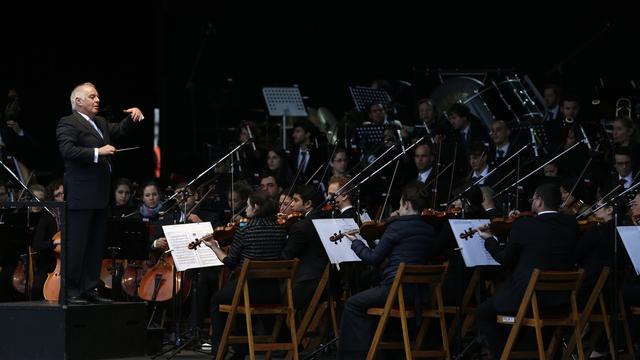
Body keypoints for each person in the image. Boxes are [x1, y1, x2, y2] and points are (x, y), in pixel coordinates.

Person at [56, 82, 143, 304]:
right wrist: (98, 151)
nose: (97, 101)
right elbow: (67, 150)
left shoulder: (100, 123)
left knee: (95, 245)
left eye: (98, 97)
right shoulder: (68, 122)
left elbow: (119, 130)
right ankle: (72, 290)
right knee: (77, 244)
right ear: (78, 101)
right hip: (81, 194)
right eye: (92, 97)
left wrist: (131, 118)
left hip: (100, 194)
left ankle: (89, 288)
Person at [474, 183, 579, 359]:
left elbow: (505, 260)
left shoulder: (525, 225)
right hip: (561, 301)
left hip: (529, 299)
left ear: (539, 202)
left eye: (534, 198)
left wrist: (489, 239)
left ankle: (503, 355)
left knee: (484, 312)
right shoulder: (572, 225)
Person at [337, 181, 435, 359]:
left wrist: (355, 242)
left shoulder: (396, 227)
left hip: (395, 291)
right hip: (421, 293)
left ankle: (356, 355)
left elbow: (373, 258)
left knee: (352, 304)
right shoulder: (429, 230)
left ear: (406, 204)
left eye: (399, 204)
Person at [203, 189, 286, 357]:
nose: (245, 210)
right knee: (237, 295)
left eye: (247, 206)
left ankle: (218, 351)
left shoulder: (245, 230)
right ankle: (240, 351)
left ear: (256, 207)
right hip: (273, 292)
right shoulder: (280, 230)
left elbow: (230, 263)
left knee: (217, 299)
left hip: (249, 291)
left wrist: (214, 247)